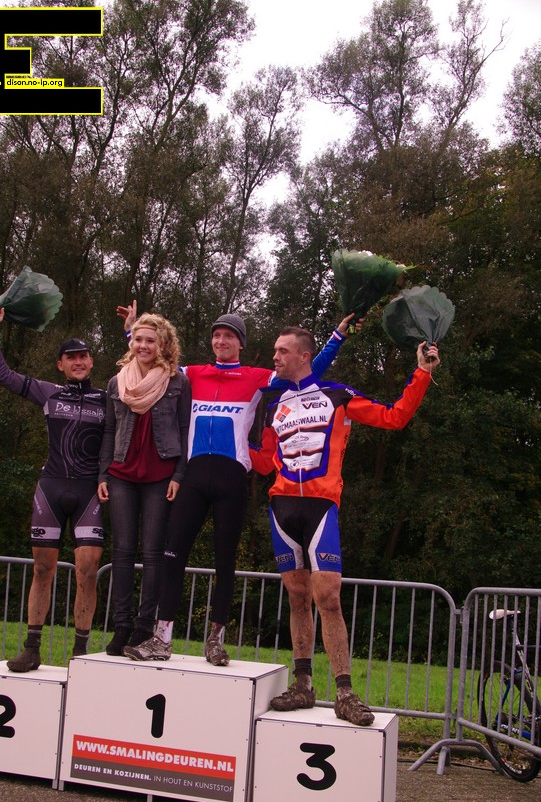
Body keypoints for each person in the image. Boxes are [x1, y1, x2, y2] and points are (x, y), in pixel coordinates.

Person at [120, 305, 358, 665]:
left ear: (240, 343)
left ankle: (215, 641)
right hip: (194, 475)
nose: (221, 341)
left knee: (225, 561)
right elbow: (148, 360)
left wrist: (337, 336)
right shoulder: (192, 373)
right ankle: (161, 638)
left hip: (231, 478)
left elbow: (309, 370)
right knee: (173, 554)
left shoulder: (257, 377)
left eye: (229, 336)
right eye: (217, 335)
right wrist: (131, 332)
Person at [249, 326, 440, 726]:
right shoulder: (272, 403)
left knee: (329, 598)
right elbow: (264, 461)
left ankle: (345, 693)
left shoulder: (337, 395)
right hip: (282, 507)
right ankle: (303, 685)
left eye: (282, 351)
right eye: (275, 351)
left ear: (304, 356)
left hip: (321, 507)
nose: (275, 357)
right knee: (297, 597)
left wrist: (422, 372)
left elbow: (394, 417)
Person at [0, 306, 106, 671]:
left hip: (88, 492)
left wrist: (132, 334)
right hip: (51, 488)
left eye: (83, 356)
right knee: (42, 569)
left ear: (91, 361)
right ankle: (32, 647)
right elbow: (3, 375)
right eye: (71, 357)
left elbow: (141, 383)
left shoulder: (107, 398)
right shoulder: (49, 393)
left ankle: (80, 652)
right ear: (60, 365)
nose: (78, 362)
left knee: (88, 568)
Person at [97, 313, 191, 655]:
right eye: (138, 339)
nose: (143, 345)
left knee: (153, 553)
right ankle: (121, 625)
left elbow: (185, 430)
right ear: (131, 342)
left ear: (163, 344)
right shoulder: (117, 383)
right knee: (122, 551)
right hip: (121, 472)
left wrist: (179, 475)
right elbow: (109, 430)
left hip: (160, 474)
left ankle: (143, 627)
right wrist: (102, 474)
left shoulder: (178, 382)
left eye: (151, 340)